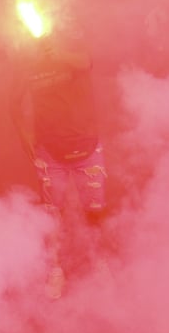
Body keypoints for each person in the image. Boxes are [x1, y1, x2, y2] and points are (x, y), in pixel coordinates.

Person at [10, 21, 105, 300]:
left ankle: (98, 264)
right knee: (51, 215)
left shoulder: (73, 50)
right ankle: (55, 269)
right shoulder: (27, 65)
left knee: (94, 211)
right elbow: (13, 104)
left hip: (87, 148)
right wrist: (27, 140)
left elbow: (86, 62)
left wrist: (58, 54)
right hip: (50, 152)